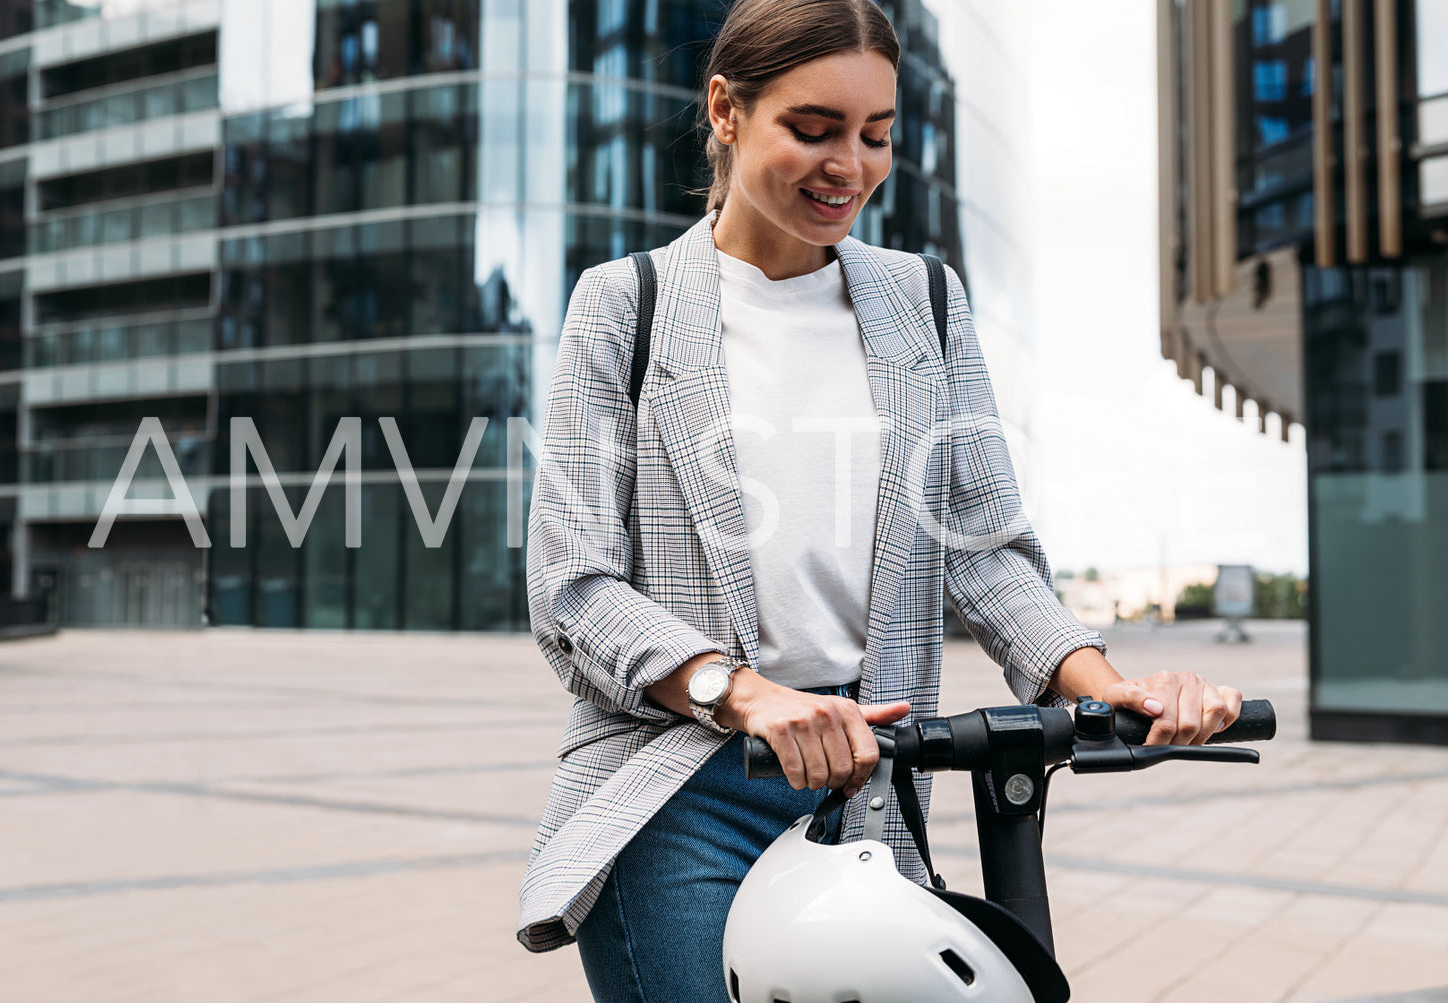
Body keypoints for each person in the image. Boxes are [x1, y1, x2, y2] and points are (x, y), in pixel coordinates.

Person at [517, 1, 1243, 999]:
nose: (846, 166)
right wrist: (746, 694)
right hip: (677, 787)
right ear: (725, 112)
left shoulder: (927, 305)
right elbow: (572, 585)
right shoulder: (625, 306)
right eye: (811, 130)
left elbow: (983, 550)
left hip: (869, 787)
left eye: (875, 136)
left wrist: (1095, 678)